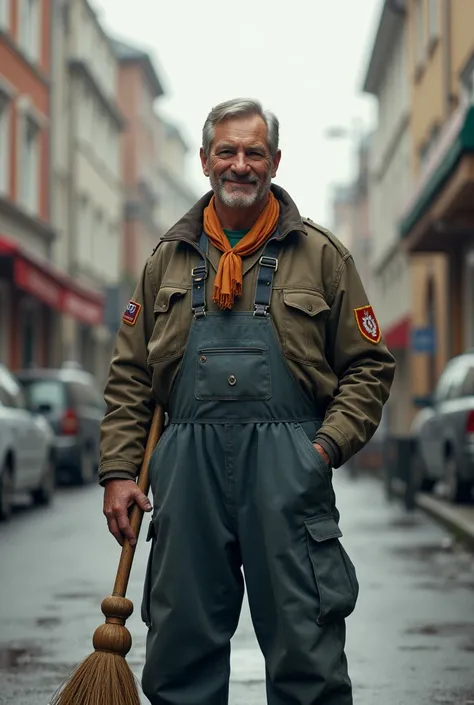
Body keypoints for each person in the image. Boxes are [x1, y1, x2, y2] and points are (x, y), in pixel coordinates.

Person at [99, 98, 396, 705]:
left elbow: (369, 367)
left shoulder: (322, 256)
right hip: (186, 476)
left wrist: (321, 449)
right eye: (227, 152)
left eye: (254, 152)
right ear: (206, 160)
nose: (241, 165)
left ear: (275, 161)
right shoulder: (168, 258)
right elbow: (130, 375)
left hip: (289, 474)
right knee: (180, 654)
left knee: (306, 654)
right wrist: (119, 472)